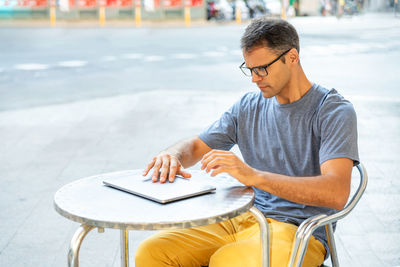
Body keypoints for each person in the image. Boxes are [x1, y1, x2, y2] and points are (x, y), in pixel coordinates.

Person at [135, 17, 359, 267]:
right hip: (242, 216)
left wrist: (253, 176)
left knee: (227, 262)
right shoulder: (248, 107)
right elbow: (196, 146)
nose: (254, 78)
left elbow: (337, 193)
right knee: (151, 252)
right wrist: (172, 155)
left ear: (292, 57)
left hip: (297, 229)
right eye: (250, 69)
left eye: (262, 68)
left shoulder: (333, 111)